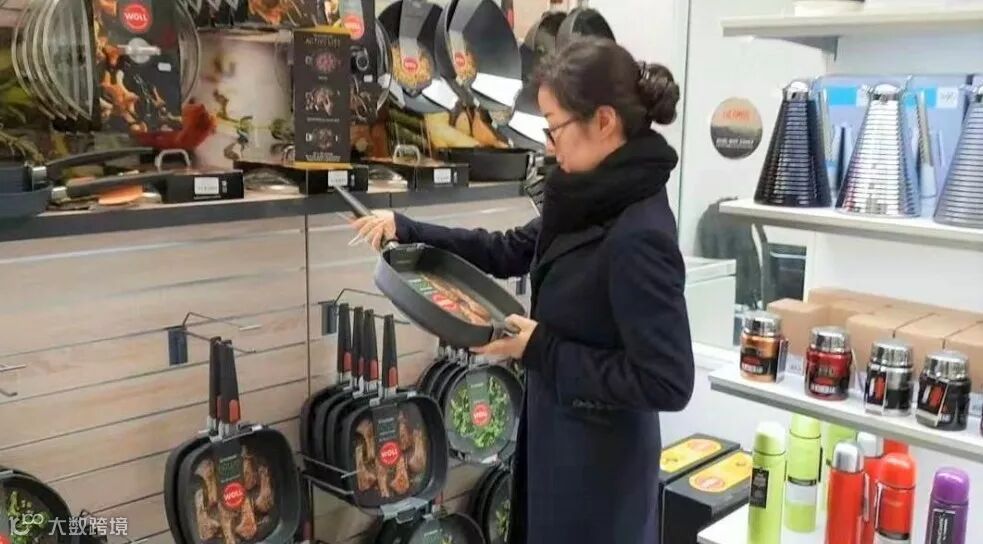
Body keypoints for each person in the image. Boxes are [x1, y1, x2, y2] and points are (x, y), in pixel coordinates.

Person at [352, 37, 695, 544]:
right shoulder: (587, 196)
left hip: (599, 481)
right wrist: (409, 229)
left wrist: (540, 349)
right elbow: (508, 249)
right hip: (556, 447)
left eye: (555, 128)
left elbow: (667, 381)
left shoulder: (637, 233)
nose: (549, 146)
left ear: (604, 121)